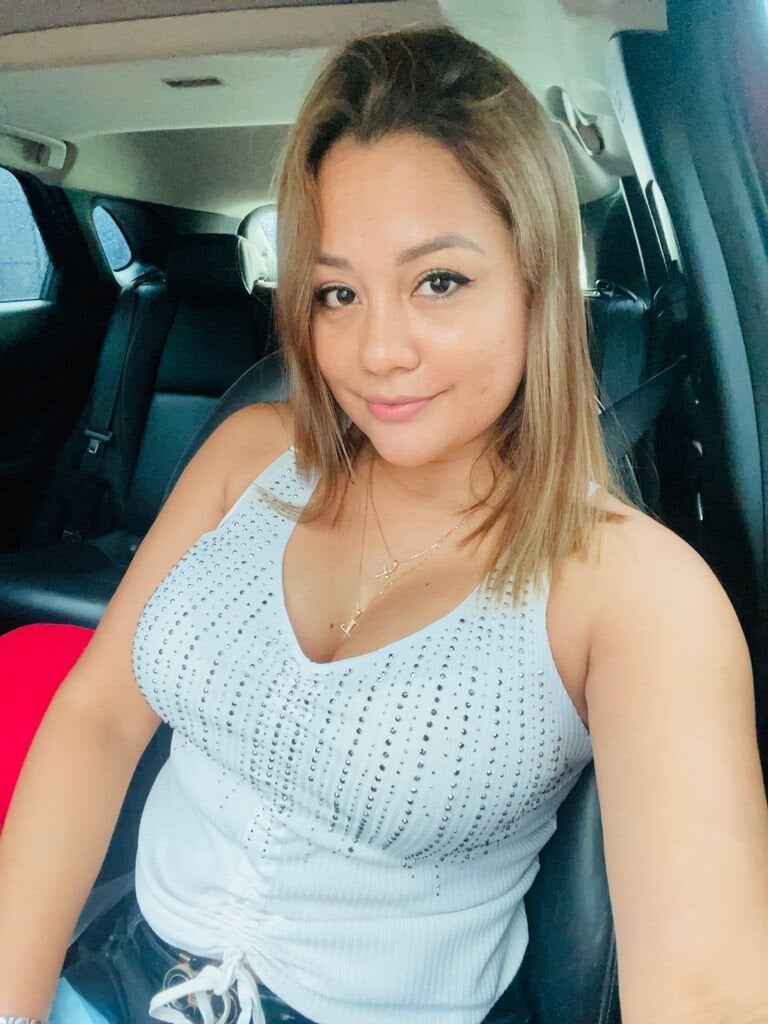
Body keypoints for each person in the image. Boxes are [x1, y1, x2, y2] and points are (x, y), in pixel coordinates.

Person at [1, 23, 768, 1024]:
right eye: (337, 292)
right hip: (118, 971)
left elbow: (707, 986)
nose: (376, 350)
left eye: (439, 281)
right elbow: (99, 719)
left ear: (535, 282)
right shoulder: (249, 453)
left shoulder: (637, 591)